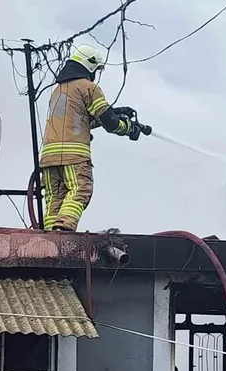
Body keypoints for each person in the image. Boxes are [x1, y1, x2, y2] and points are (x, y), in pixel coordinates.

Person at [39, 44, 150, 232]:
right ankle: (64, 229)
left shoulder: (58, 92)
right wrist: (129, 128)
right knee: (80, 190)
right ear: (90, 65)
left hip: (49, 157)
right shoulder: (89, 88)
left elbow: (81, 121)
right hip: (74, 156)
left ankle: (50, 237)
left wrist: (116, 111)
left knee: (55, 198)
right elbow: (111, 124)